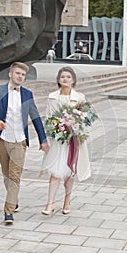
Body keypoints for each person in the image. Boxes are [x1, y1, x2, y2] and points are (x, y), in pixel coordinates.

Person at [0, 62, 49, 224]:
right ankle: (14, 199)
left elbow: (36, 117)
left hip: (20, 140)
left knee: (14, 176)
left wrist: (43, 139)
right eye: (17, 73)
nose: (20, 77)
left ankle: (8, 211)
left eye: (23, 75)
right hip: (2, 139)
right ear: (10, 74)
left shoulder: (27, 94)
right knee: (6, 174)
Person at [41, 66, 91, 215]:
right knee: (55, 172)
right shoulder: (52, 97)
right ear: (58, 80)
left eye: (68, 77)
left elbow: (84, 118)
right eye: (62, 77)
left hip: (73, 140)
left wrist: (74, 125)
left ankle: (67, 200)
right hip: (58, 140)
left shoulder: (80, 97)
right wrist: (52, 133)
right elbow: (48, 118)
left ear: (73, 80)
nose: (65, 79)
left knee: (70, 172)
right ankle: (50, 204)